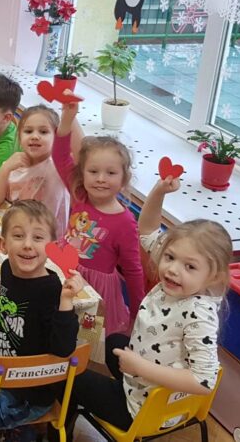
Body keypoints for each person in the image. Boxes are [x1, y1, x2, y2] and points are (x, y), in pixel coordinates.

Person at [66, 175, 230, 433]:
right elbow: (147, 230)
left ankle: (56, 429)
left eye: (190, 267)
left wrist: (140, 367)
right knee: (113, 341)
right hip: (143, 383)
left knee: (68, 376)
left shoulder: (199, 314)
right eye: (170, 257)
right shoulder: (180, 283)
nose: (173, 269)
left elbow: (203, 380)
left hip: (145, 411)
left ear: (214, 277)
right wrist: (159, 191)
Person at [0, 200, 85, 442]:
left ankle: (21, 429)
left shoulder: (50, 290)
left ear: (51, 247)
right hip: (2, 370)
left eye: (38, 238)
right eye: (18, 236)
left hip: (28, 393)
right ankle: (17, 428)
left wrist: (66, 300)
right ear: (3, 244)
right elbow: (14, 292)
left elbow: (63, 348)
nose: (27, 245)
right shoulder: (7, 268)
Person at [53, 95, 144, 335]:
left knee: (88, 337)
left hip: (97, 288)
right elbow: (60, 156)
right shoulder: (79, 195)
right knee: (58, 325)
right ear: (82, 174)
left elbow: (133, 270)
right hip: (63, 272)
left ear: (124, 178)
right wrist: (67, 120)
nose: (101, 179)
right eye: (93, 171)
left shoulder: (125, 222)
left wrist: (137, 313)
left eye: (111, 173)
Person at [0, 105, 83, 239]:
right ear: (19, 136)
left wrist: (69, 116)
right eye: (28, 131)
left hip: (51, 243)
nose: (35, 136)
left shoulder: (57, 167)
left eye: (43, 132)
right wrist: (5, 169)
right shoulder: (14, 164)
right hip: (20, 236)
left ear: (56, 138)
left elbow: (83, 156)